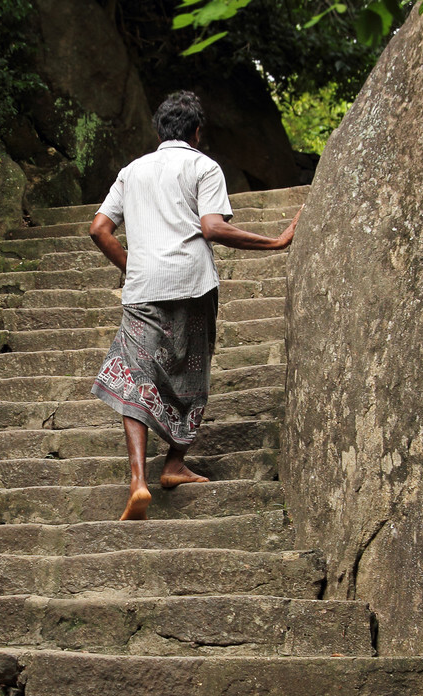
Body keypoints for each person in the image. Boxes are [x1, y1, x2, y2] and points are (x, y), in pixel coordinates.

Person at [89, 90, 301, 521]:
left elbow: (99, 229)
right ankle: (173, 462)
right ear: (198, 131)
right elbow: (212, 227)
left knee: (133, 373)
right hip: (192, 283)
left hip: (144, 286)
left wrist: (131, 267)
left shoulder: (132, 171)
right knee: (190, 369)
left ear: (160, 130)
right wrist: (276, 242)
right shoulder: (203, 166)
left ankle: (137, 480)